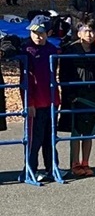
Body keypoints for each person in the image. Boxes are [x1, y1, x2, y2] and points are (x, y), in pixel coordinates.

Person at [58, 18, 95, 177]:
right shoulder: (70, 51)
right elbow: (63, 75)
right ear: (79, 33)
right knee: (76, 132)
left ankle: (86, 162)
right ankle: (75, 164)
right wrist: (69, 94)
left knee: (89, 133)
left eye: (93, 31)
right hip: (75, 97)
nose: (90, 34)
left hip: (92, 97)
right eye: (86, 31)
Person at [20, 16, 63, 182]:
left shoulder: (52, 49)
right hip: (35, 102)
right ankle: (30, 169)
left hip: (51, 100)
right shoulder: (26, 50)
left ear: (48, 33)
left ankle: (52, 167)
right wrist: (28, 102)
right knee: (34, 139)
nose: (37, 36)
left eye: (41, 33)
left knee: (50, 137)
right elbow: (25, 80)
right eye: (34, 32)